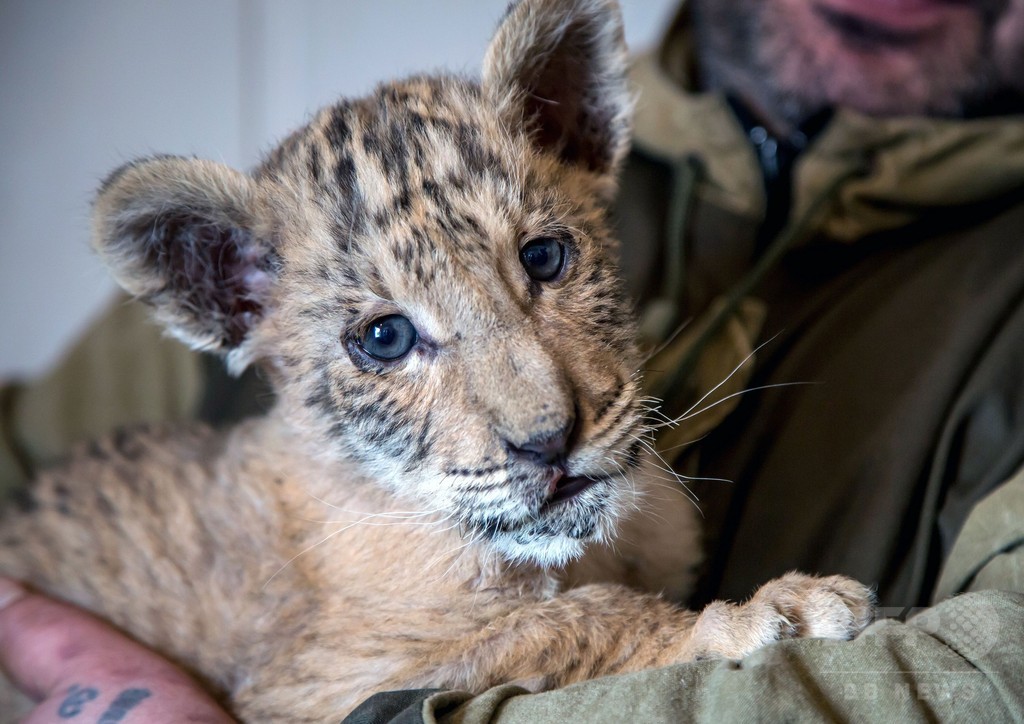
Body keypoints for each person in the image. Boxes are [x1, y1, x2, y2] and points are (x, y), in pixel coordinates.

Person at [2, 0, 1023, 721]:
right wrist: (631, 635)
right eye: (385, 337)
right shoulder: (334, 518)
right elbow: (309, 693)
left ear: (576, 124)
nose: (540, 415)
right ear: (229, 297)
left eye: (543, 259)